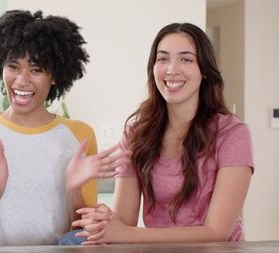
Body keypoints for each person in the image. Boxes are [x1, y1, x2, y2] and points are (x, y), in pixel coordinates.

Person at [72, 22, 254, 244]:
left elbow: (217, 232)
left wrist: (127, 234)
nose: (171, 69)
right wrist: (78, 193)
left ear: (205, 70)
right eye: (163, 58)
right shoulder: (137, 133)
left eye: (186, 59)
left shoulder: (232, 134)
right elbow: (122, 223)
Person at [0, 10, 121, 246]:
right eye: (13, 66)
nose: (21, 80)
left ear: (54, 76)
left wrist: (74, 190)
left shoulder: (80, 136)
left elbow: (85, 237)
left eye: (36, 70)